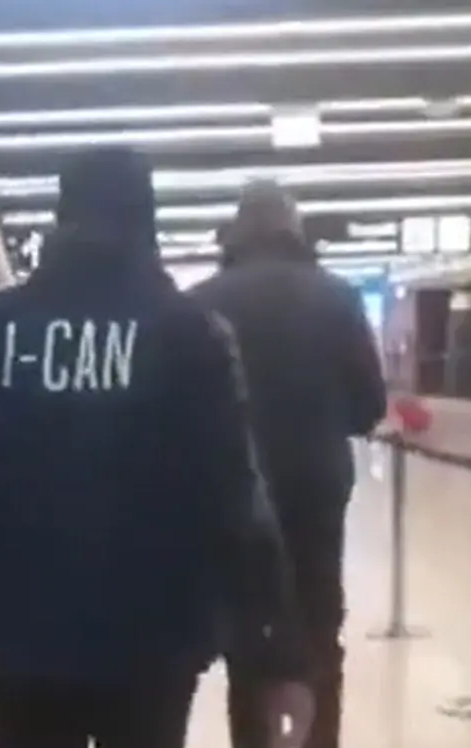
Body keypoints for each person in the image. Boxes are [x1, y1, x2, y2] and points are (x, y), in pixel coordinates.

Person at [0, 147, 312, 748]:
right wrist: (277, 657)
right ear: (147, 222)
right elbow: (237, 504)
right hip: (153, 644)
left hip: (11, 644)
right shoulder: (189, 335)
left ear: (61, 218)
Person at [190, 180, 387, 748]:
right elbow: (368, 404)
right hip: (316, 489)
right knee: (319, 629)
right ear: (294, 230)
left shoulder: (203, 302)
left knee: (248, 637)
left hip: (234, 492)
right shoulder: (337, 297)